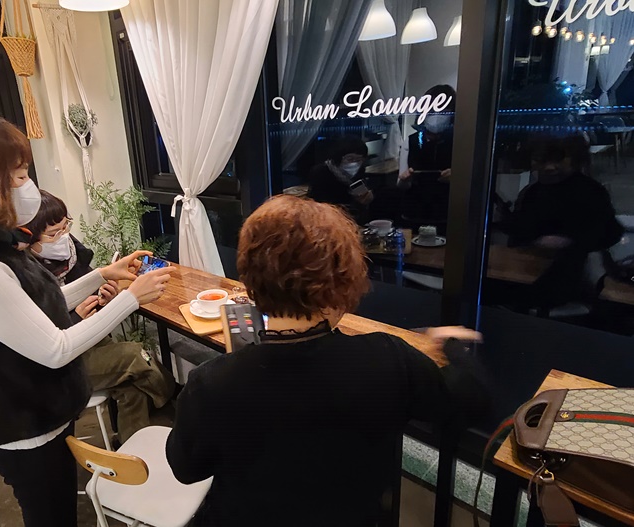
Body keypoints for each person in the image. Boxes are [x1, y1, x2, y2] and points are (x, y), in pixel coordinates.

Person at [165, 195, 487, 527]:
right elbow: (471, 400)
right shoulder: (389, 359)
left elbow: (186, 469)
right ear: (339, 282)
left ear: (251, 282)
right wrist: (452, 347)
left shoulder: (212, 383)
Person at [0, 114, 174, 527]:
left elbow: (30, 311)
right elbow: (54, 348)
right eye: (19, 175)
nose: (28, 186)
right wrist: (131, 299)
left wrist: (103, 275)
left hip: (45, 412)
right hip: (25, 429)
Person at [25, 190, 175, 445]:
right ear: (28, 238)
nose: (63, 237)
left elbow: (91, 291)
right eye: (53, 234)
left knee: (133, 387)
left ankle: (132, 451)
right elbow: (41, 332)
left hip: (89, 340)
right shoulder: (27, 272)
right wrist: (76, 318)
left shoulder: (72, 254)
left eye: (65, 226)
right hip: (59, 363)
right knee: (133, 355)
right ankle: (175, 402)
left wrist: (105, 297)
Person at [500, 134, 623, 309]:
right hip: (533, 266)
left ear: (574, 160)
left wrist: (570, 241)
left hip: (574, 273)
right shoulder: (533, 192)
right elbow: (521, 229)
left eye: (557, 160)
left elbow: (610, 233)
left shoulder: (590, 191)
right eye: (541, 160)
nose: (549, 167)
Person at [396, 85, 456, 231]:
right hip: (414, 212)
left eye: (444, 111)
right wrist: (405, 179)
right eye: (431, 110)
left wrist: (457, 178)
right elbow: (401, 184)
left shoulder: (459, 141)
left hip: (447, 213)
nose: (436, 115)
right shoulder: (411, 140)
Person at [307, 136, 373, 222]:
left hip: (352, 218)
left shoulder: (360, 171)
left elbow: (360, 204)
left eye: (359, 160)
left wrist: (365, 199)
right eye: (350, 159)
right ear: (338, 157)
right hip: (328, 218)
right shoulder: (321, 172)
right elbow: (318, 204)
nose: (354, 163)